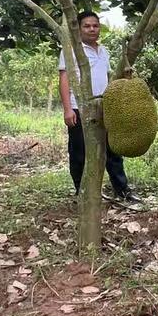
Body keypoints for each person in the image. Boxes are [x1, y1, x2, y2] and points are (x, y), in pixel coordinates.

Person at [58, 11, 137, 201]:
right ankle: (81, 192)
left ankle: (122, 190)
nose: (92, 29)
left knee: (113, 150)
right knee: (79, 150)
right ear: (78, 29)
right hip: (80, 107)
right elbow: (64, 78)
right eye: (87, 26)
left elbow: (109, 78)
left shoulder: (104, 51)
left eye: (95, 25)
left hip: (105, 106)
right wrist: (68, 109)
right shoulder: (71, 51)